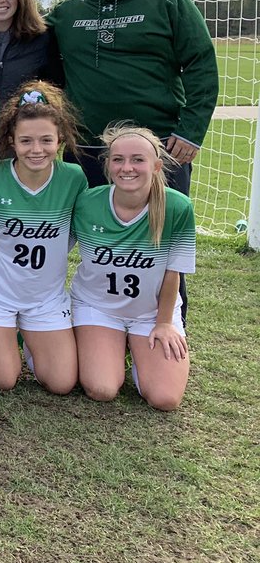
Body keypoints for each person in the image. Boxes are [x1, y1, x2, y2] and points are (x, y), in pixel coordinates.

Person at [45, 0, 218, 196]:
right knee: (95, 232)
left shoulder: (169, 1)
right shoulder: (67, 13)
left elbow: (201, 66)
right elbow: (26, 40)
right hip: (87, 147)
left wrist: (190, 132)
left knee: (160, 230)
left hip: (158, 145)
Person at [0, 82, 87, 394]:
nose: (37, 149)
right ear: (11, 140)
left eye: (46, 140)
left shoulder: (73, 178)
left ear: (59, 139)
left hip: (45, 297)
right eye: (27, 140)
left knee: (61, 383)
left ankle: (31, 339)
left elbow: (77, 228)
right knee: (3, 380)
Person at [70, 125, 196, 410]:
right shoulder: (87, 202)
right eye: (118, 159)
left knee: (165, 399)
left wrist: (164, 323)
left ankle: (136, 350)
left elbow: (172, 273)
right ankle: (112, 346)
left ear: (156, 166)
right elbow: (48, 235)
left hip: (151, 313)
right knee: (102, 388)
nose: (127, 167)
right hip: (97, 307)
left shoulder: (177, 207)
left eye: (138, 159)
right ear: (108, 165)